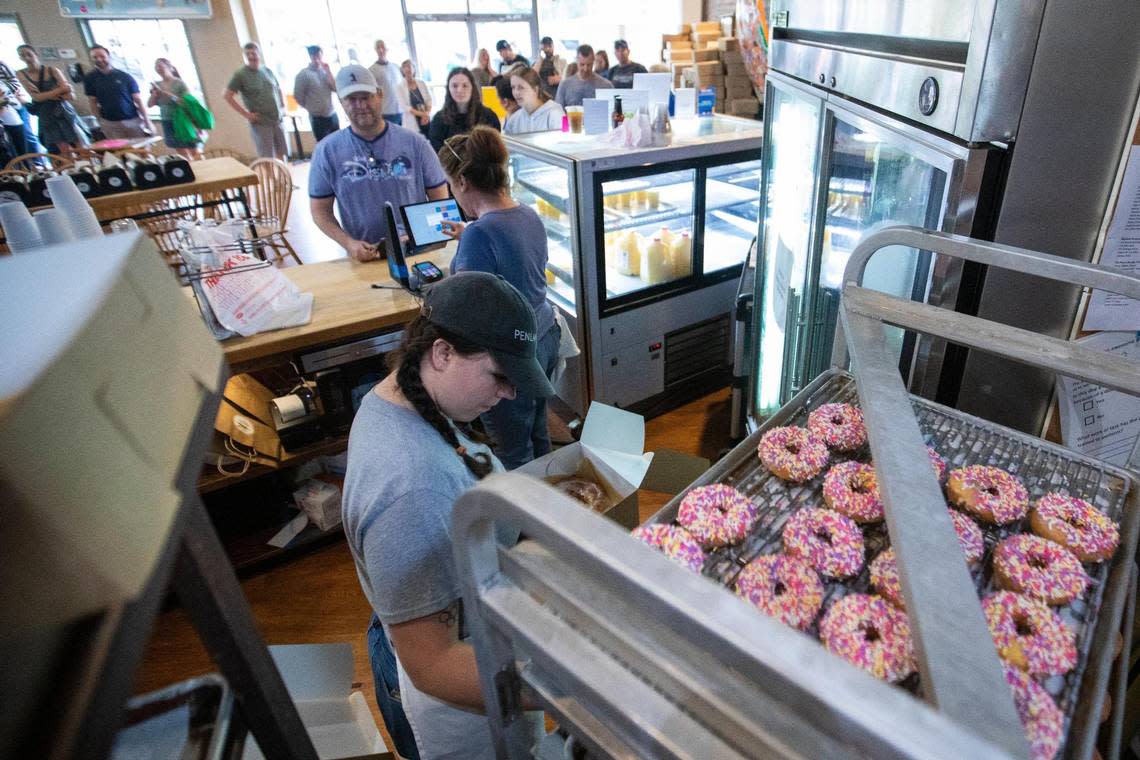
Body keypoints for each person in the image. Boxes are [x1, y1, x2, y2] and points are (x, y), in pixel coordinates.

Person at [342, 270, 550, 758]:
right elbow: (433, 665)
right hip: (455, 697)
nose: (509, 394)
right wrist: (563, 689)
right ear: (442, 353)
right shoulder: (411, 489)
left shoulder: (399, 398)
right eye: (500, 377)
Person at [437, 126, 560, 469]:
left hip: (512, 356)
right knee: (538, 429)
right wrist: (469, 236)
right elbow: (514, 258)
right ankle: (550, 500)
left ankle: (522, 519)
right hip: (546, 337)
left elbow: (466, 307)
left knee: (512, 446)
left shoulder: (480, 234)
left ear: (462, 181)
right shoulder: (527, 214)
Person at [309, 64, 448, 262]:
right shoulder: (326, 151)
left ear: (380, 94)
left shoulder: (416, 143)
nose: (360, 105)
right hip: (364, 255)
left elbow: (440, 199)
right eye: (351, 99)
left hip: (417, 253)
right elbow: (319, 210)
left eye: (366, 97)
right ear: (341, 102)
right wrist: (348, 242)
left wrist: (420, 234)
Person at [16, 45, 88, 155]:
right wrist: (58, 91)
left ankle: (89, 167)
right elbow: (36, 97)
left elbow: (69, 94)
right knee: (64, 150)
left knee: (80, 144)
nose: (27, 58)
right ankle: (76, 170)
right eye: (22, 55)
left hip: (63, 110)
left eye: (29, 54)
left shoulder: (53, 70)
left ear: (36, 54)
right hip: (46, 114)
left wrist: (46, 95)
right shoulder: (21, 73)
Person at [224, 42, 286, 159]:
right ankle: (270, 178)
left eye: (253, 53)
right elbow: (227, 96)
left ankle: (283, 177)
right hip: (261, 123)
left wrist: (283, 107)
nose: (251, 56)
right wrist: (246, 114)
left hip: (277, 120)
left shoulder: (267, 71)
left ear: (259, 53)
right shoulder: (240, 74)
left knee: (281, 153)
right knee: (267, 158)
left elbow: (278, 89)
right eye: (248, 54)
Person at [84, 45, 153, 139]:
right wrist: (99, 121)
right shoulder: (90, 79)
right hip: (109, 123)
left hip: (132, 120)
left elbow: (138, 99)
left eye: (102, 56)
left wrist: (147, 121)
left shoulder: (125, 76)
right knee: (120, 152)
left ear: (108, 57)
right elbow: (92, 101)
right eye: (95, 57)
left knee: (142, 149)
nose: (99, 59)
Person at [427, 68, 500, 153]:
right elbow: (437, 153)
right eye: (454, 86)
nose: (459, 90)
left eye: (465, 85)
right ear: (448, 89)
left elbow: (495, 148)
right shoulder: (439, 119)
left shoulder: (488, 116)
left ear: (472, 87)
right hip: (450, 166)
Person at [147, 58, 202, 159]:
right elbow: (150, 105)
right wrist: (154, 94)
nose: (158, 68)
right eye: (156, 66)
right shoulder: (157, 84)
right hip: (167, 120)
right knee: (182, 153)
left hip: (182, 120)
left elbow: (186, 102)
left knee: (194, 151)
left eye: (160, 65)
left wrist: (166, 94)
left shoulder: (179, 83)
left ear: (169, 67)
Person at [293, 45, 339, 143]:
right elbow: (298, 96)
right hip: (317, 118)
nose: (317, 59)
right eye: (314, 56)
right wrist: (311, 108)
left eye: (319, 56)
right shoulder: (303, 74)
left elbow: (336, 89)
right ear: (310, 57)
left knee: (337, 142)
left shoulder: (325, 71)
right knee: (323, 144)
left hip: (331, 113)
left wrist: (328, 72)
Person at [503, 67, 564, 136]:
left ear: (535, 90)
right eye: (513, 87)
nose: (516, 92)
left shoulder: (556, 114)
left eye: (521, 87)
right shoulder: (514, 120)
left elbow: (565, 142)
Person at [368, 39, 403, 126]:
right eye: (378, 47)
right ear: (375, 50)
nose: (381, 50)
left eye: (382, 47)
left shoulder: (396, 67)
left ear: (387, 49)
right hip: (386, 112)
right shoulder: (372, 70)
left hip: (402, 111)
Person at [397, 59, 431, 138]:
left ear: (414, 69)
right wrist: (423, 114)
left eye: (409, 66)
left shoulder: (421, 83)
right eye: (405, 67)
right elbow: (405, 107)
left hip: (425, 118)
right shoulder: (400, 87)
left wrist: (427, 114)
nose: (408, 69)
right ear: (402, 71)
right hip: (411, 121)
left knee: (430, 140)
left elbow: (429, 100)